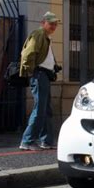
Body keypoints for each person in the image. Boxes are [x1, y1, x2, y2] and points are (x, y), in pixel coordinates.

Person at [19, 11, 60, 151]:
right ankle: (27, 141)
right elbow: (27, 54)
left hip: (44, 75)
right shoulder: (39, 34)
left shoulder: (46, 36)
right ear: (43, 23)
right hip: (39, 74)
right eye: (51, 23)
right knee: (40, 108)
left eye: (55, 23)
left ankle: (46, 141)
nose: (54, 26)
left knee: (46, 109)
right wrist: (31, 72)